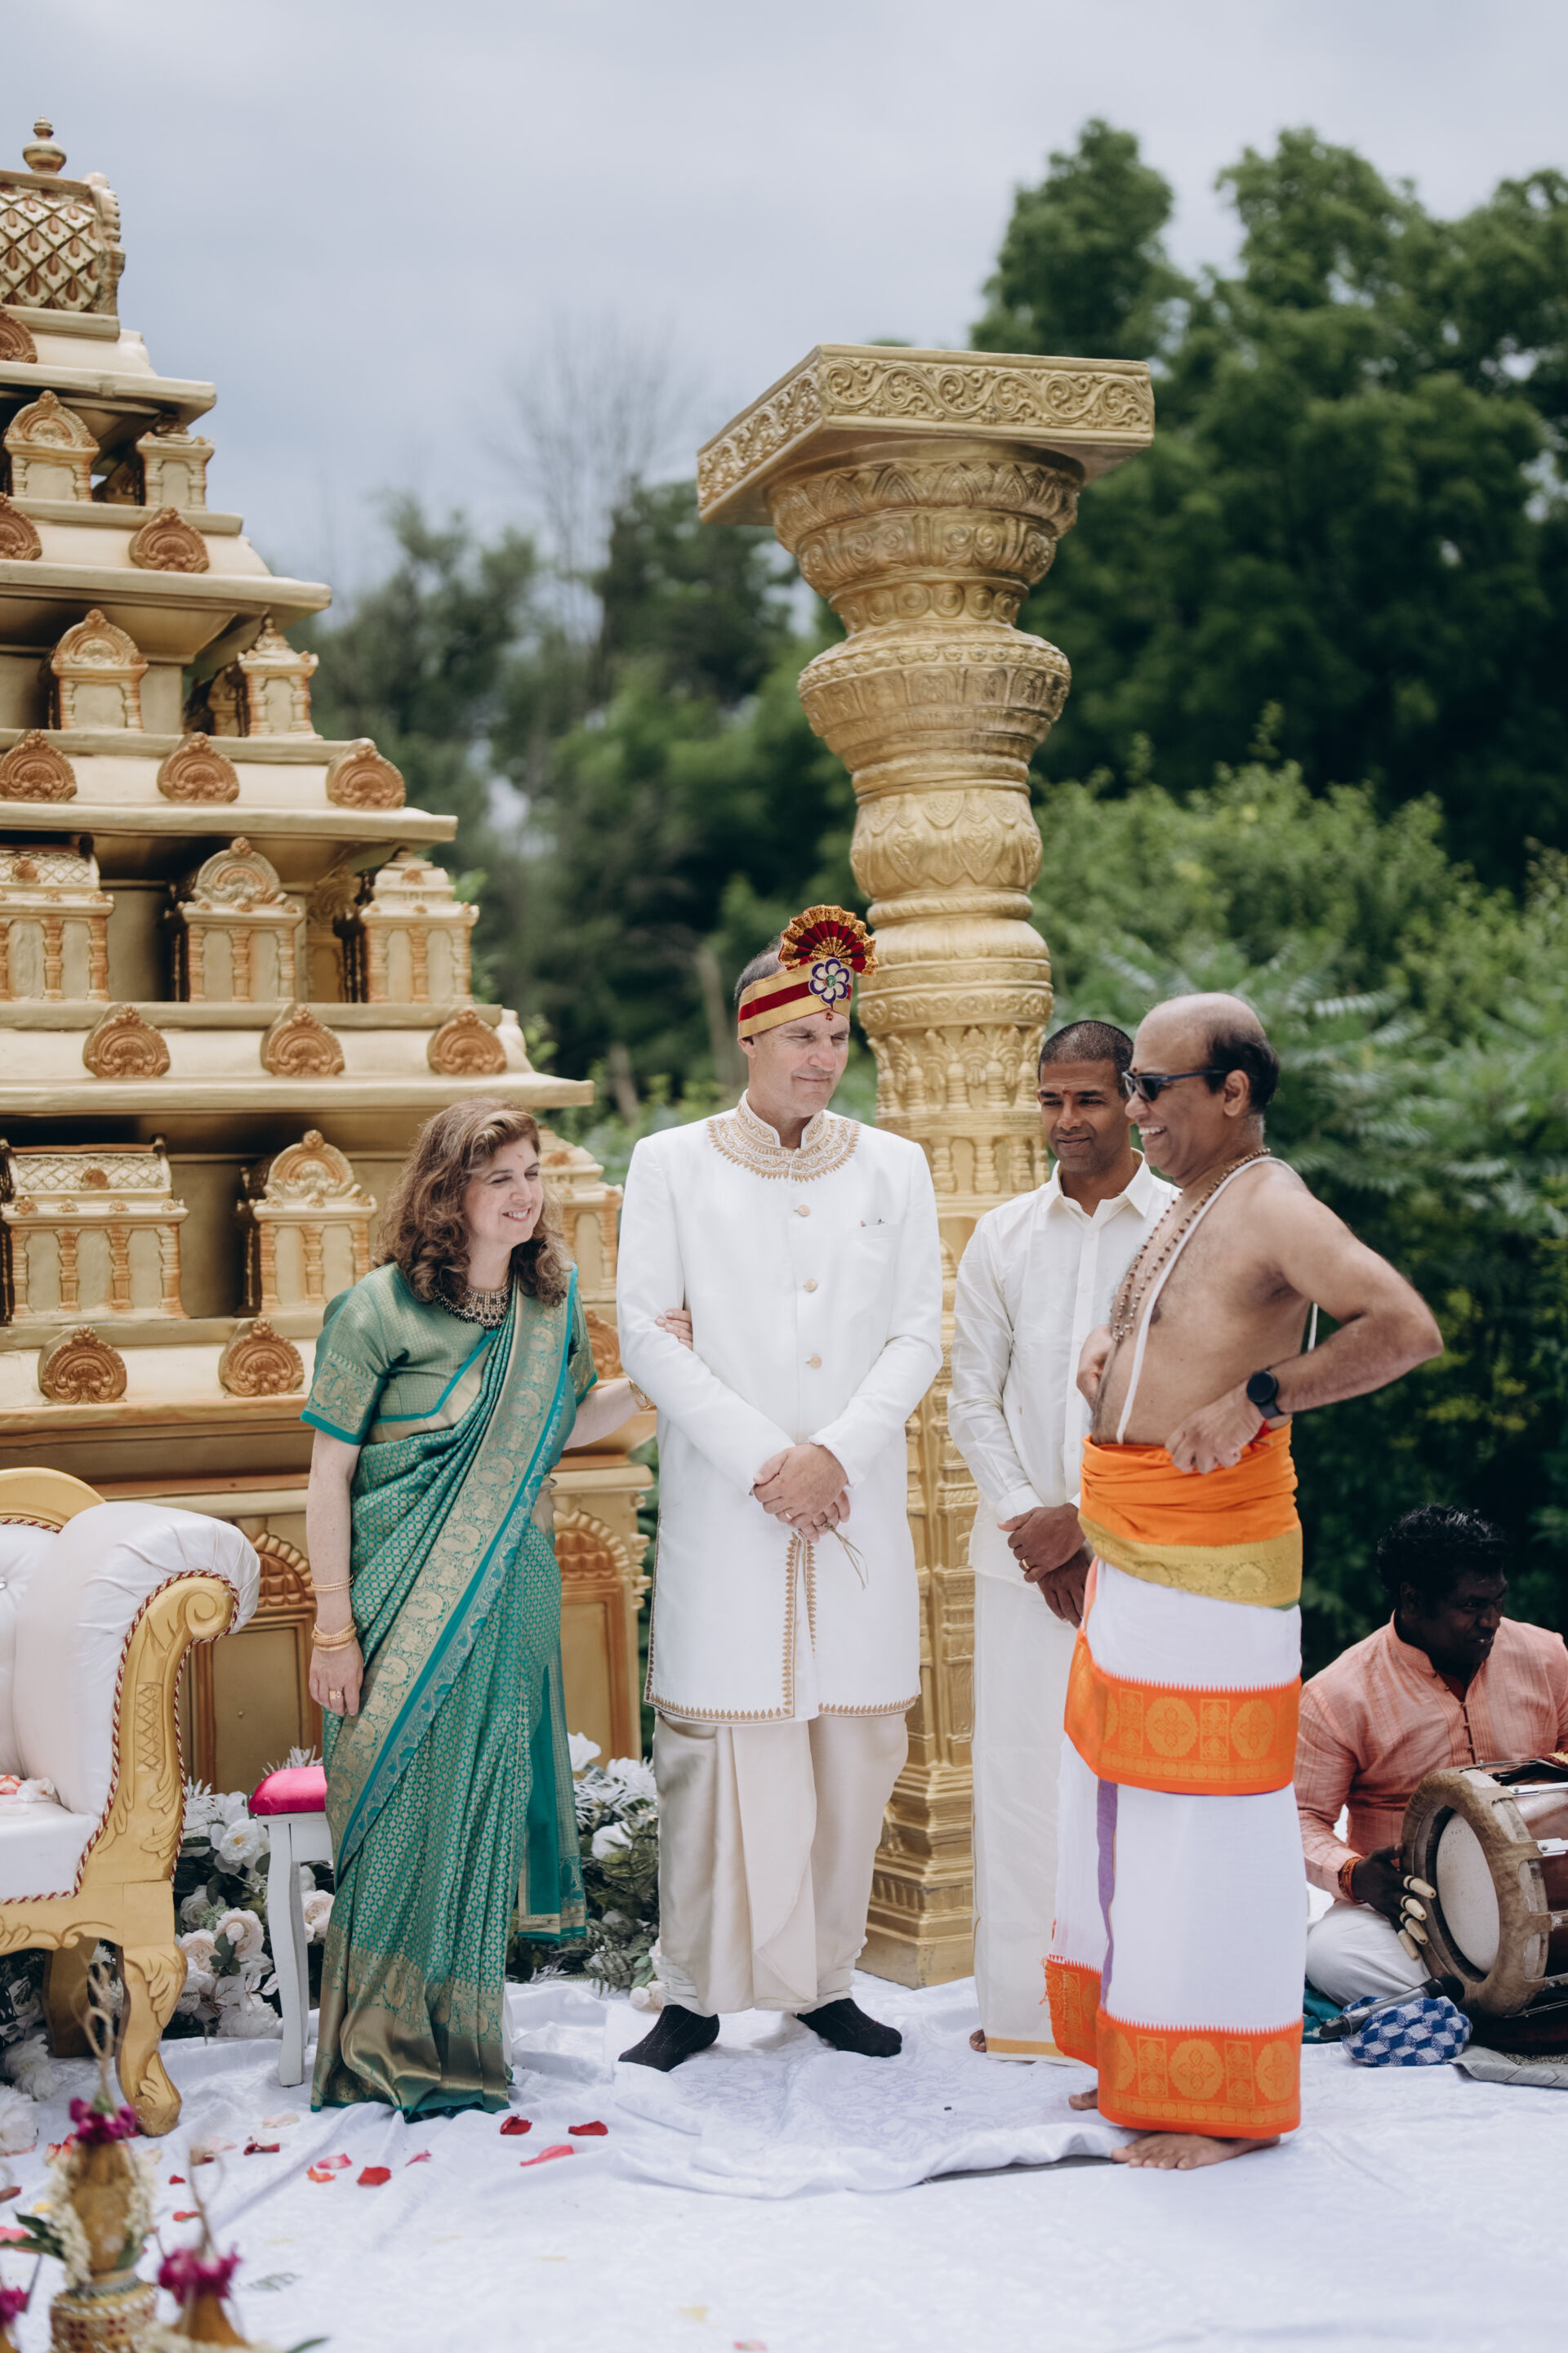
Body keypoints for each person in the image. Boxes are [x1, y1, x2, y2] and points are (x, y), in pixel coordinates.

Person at [1047, 992, 1442, 2168]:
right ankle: (1147, 2054)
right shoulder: (1190, 1198)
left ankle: (1222, 2103)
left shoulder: (1272, 1200)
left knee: (1207, 1824)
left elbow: (1404, 1324)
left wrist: (1262, 1396)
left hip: (1212, 1554)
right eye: (1132, 1086)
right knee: (1127, 1805)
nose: (1135, 1108)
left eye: (1153, 1086)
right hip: (1136, 1537)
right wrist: (1112, 1363)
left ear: (1233, 1092)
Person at [615, 907, 943, 2071]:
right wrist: (772, 1462)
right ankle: (694, 1997)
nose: (821, 1056)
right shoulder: (671, 1164)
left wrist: (834, 1455)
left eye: (837, 1037)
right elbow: (647, 1337)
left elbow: (918, 1334)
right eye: (800, 1034)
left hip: (852, 1508)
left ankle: (825, 1983)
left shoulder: (895, 1167)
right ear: (750, 1038)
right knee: (717, 1757)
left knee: (853, 1753)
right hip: (732, 1508)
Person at [301, 1099, 638, 2114]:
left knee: (479, 1805)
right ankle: (377, 2042)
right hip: (395, 1596)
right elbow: (328, 1476)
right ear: (447, 1192)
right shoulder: (376, 1309)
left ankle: (463, 2044)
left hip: (511, 1585)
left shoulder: (551, 1304)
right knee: (404, 1806)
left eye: (532, 1174)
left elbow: (557, 1425)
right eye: (500, 1178)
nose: (524, 1195)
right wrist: (331, 1625)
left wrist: (660, 1382)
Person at [950, 1019, 1175, 2061]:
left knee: (1144, 1783)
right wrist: (1033, 1526)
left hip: (1150, 1554)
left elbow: (1194, 1400)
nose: (1067, 1120)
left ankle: (1144, 2009)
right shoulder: (1002, 1236)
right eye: (1051, 1100)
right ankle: (1027, 2015)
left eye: (1089, 1098)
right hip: (1020, 1564)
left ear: (1134, 1099)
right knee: (1021, 1778)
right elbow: (971, 1397)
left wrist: (1085, 1525)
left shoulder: (1181, 1225)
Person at [1298, 1504, 1568, 2004]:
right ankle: (1503, 2003)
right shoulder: (1337, 1695)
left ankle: (1460, 2006)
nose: (1492, 1621)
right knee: (1333, 1954)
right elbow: (1301, 1819)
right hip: (1413, 1911)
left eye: (1498, 1600)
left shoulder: (1547, 1655)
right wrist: (1355, 1874)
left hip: (1548, 1886)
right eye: (1472, 1606)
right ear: (1414, 1600)